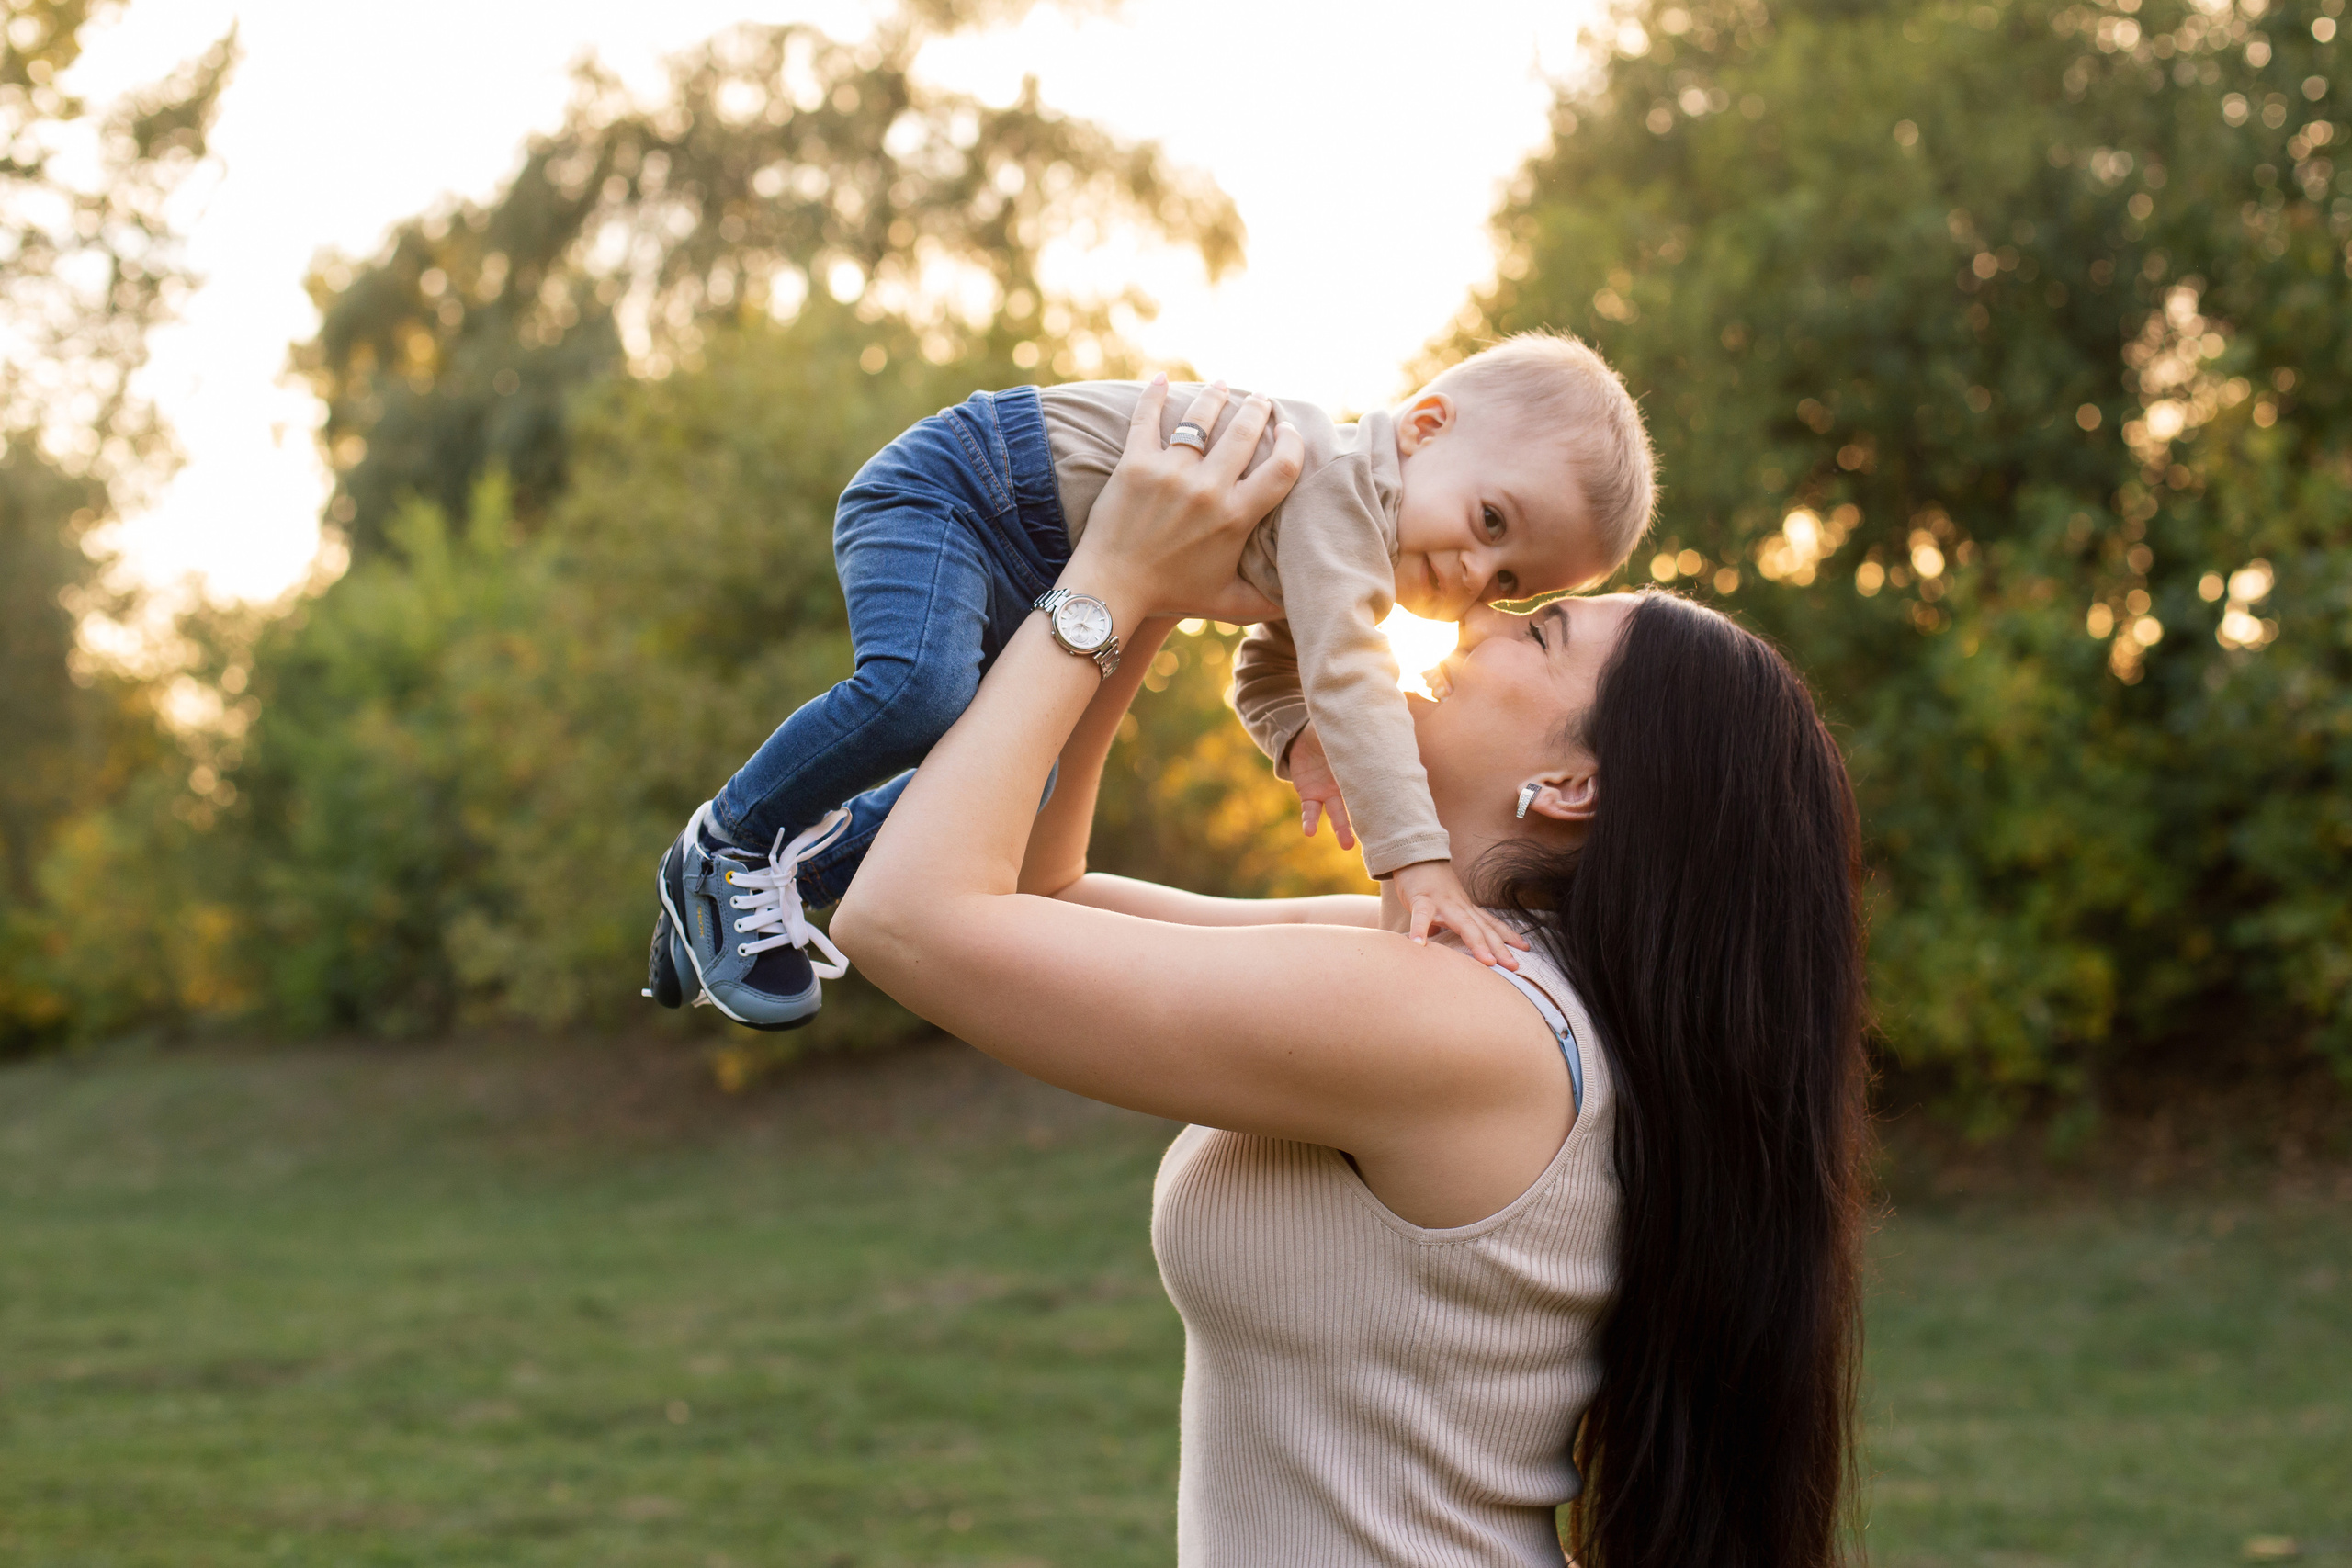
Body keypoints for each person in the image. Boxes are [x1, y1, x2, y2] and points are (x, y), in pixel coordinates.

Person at [831, 381, 1871, 1568]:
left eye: (1532, 628)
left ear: (1575, 785)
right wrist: (1162, 592)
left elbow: (911, 915)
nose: (1476, 620)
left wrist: (1108, 579)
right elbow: (1037, 890)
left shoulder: (1453, 1021)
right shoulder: (1471, 973)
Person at [644, 333, 1655, 1031]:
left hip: (1039, 556)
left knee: (1010, 780)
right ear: (1425, 427)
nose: (1477, 579)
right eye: (1489, 522)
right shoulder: (1345, 489)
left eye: (1513, 581)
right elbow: (1348, 674)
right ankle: (728, 839)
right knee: (918, 689)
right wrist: (1412, 863)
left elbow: (1273, 658)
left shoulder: (1350, 558)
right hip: (963, 490)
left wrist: (1295, 731)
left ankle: (779, 874)